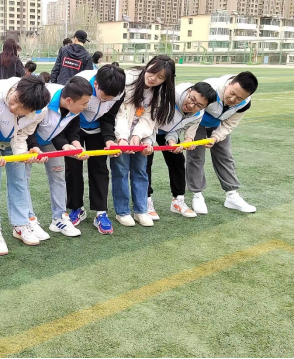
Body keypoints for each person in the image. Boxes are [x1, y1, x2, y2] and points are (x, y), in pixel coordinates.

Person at [0, 76, 52, 255]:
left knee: (20, 182)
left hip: (13, 143)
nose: (14, 108)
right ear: (15, 89)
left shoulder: (40, 111)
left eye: (23, 109)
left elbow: (22, 134)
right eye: (15, 100)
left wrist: (21, 155)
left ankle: (21, 225)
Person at [112, 56, 176, 228]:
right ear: (148, 66)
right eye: (153, 72)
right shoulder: (128, 80)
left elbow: (149, 118)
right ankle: (122, 211)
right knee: (120, 170)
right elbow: (120, 113)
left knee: (140, 171)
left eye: (160, 77)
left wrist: (138, 136)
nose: (154, 78)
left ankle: (141, 210)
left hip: (142, 134)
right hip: (120, 131)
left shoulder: (160, 92)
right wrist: (123, 138)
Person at [25, 76, 93, 237]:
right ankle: (28, 220)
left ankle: (59, 218)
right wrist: (33, 146)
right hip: (25, 140)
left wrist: (73, 144)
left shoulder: (74, 107)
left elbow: (71, 127)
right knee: (23, 179)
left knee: (58, 175)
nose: (86, 107)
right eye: (84, 104)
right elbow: (27, 126)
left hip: (49, 141)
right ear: (69, 100)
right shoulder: (43, 99)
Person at [65, 65, 126, 235]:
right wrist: (74, 141)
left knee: (99, 167)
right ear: (96, 85)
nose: (106, 101)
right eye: (104, 97)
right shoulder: (80, 83)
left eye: (110, 99)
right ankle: (76, 208)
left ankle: (101, 212)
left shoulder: (119, 92)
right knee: (73, 166)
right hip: (75, 126)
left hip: (98, 129)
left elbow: (109, 116)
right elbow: (70, 114)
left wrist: (109, 140)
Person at [186, 72, 259, 214]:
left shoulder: (245, 103)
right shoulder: (210, 88)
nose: (233, 99)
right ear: (229, 84)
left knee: (225, 156)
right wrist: (190, 136)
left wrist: (215, 138)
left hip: (219, 124)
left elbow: (230, 124)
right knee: (196, 157)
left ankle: (232, 195)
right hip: (197, 122)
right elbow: (193, 111)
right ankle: (197, 195)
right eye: (232, 93)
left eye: (239, 98)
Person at [146, 82, 217, 220]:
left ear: (204, 107)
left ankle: (178, 200)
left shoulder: (198, 114)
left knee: (178, 160)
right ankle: (145, 200)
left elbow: (178, 128)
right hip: (148, 128)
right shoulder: (168, 97)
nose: (191, 106)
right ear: (189, 91)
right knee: (146, 161)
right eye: (192, 99)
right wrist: (149, 141)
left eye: (199, 105)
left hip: (168, 132)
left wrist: (176, 142)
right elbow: (149, 120)